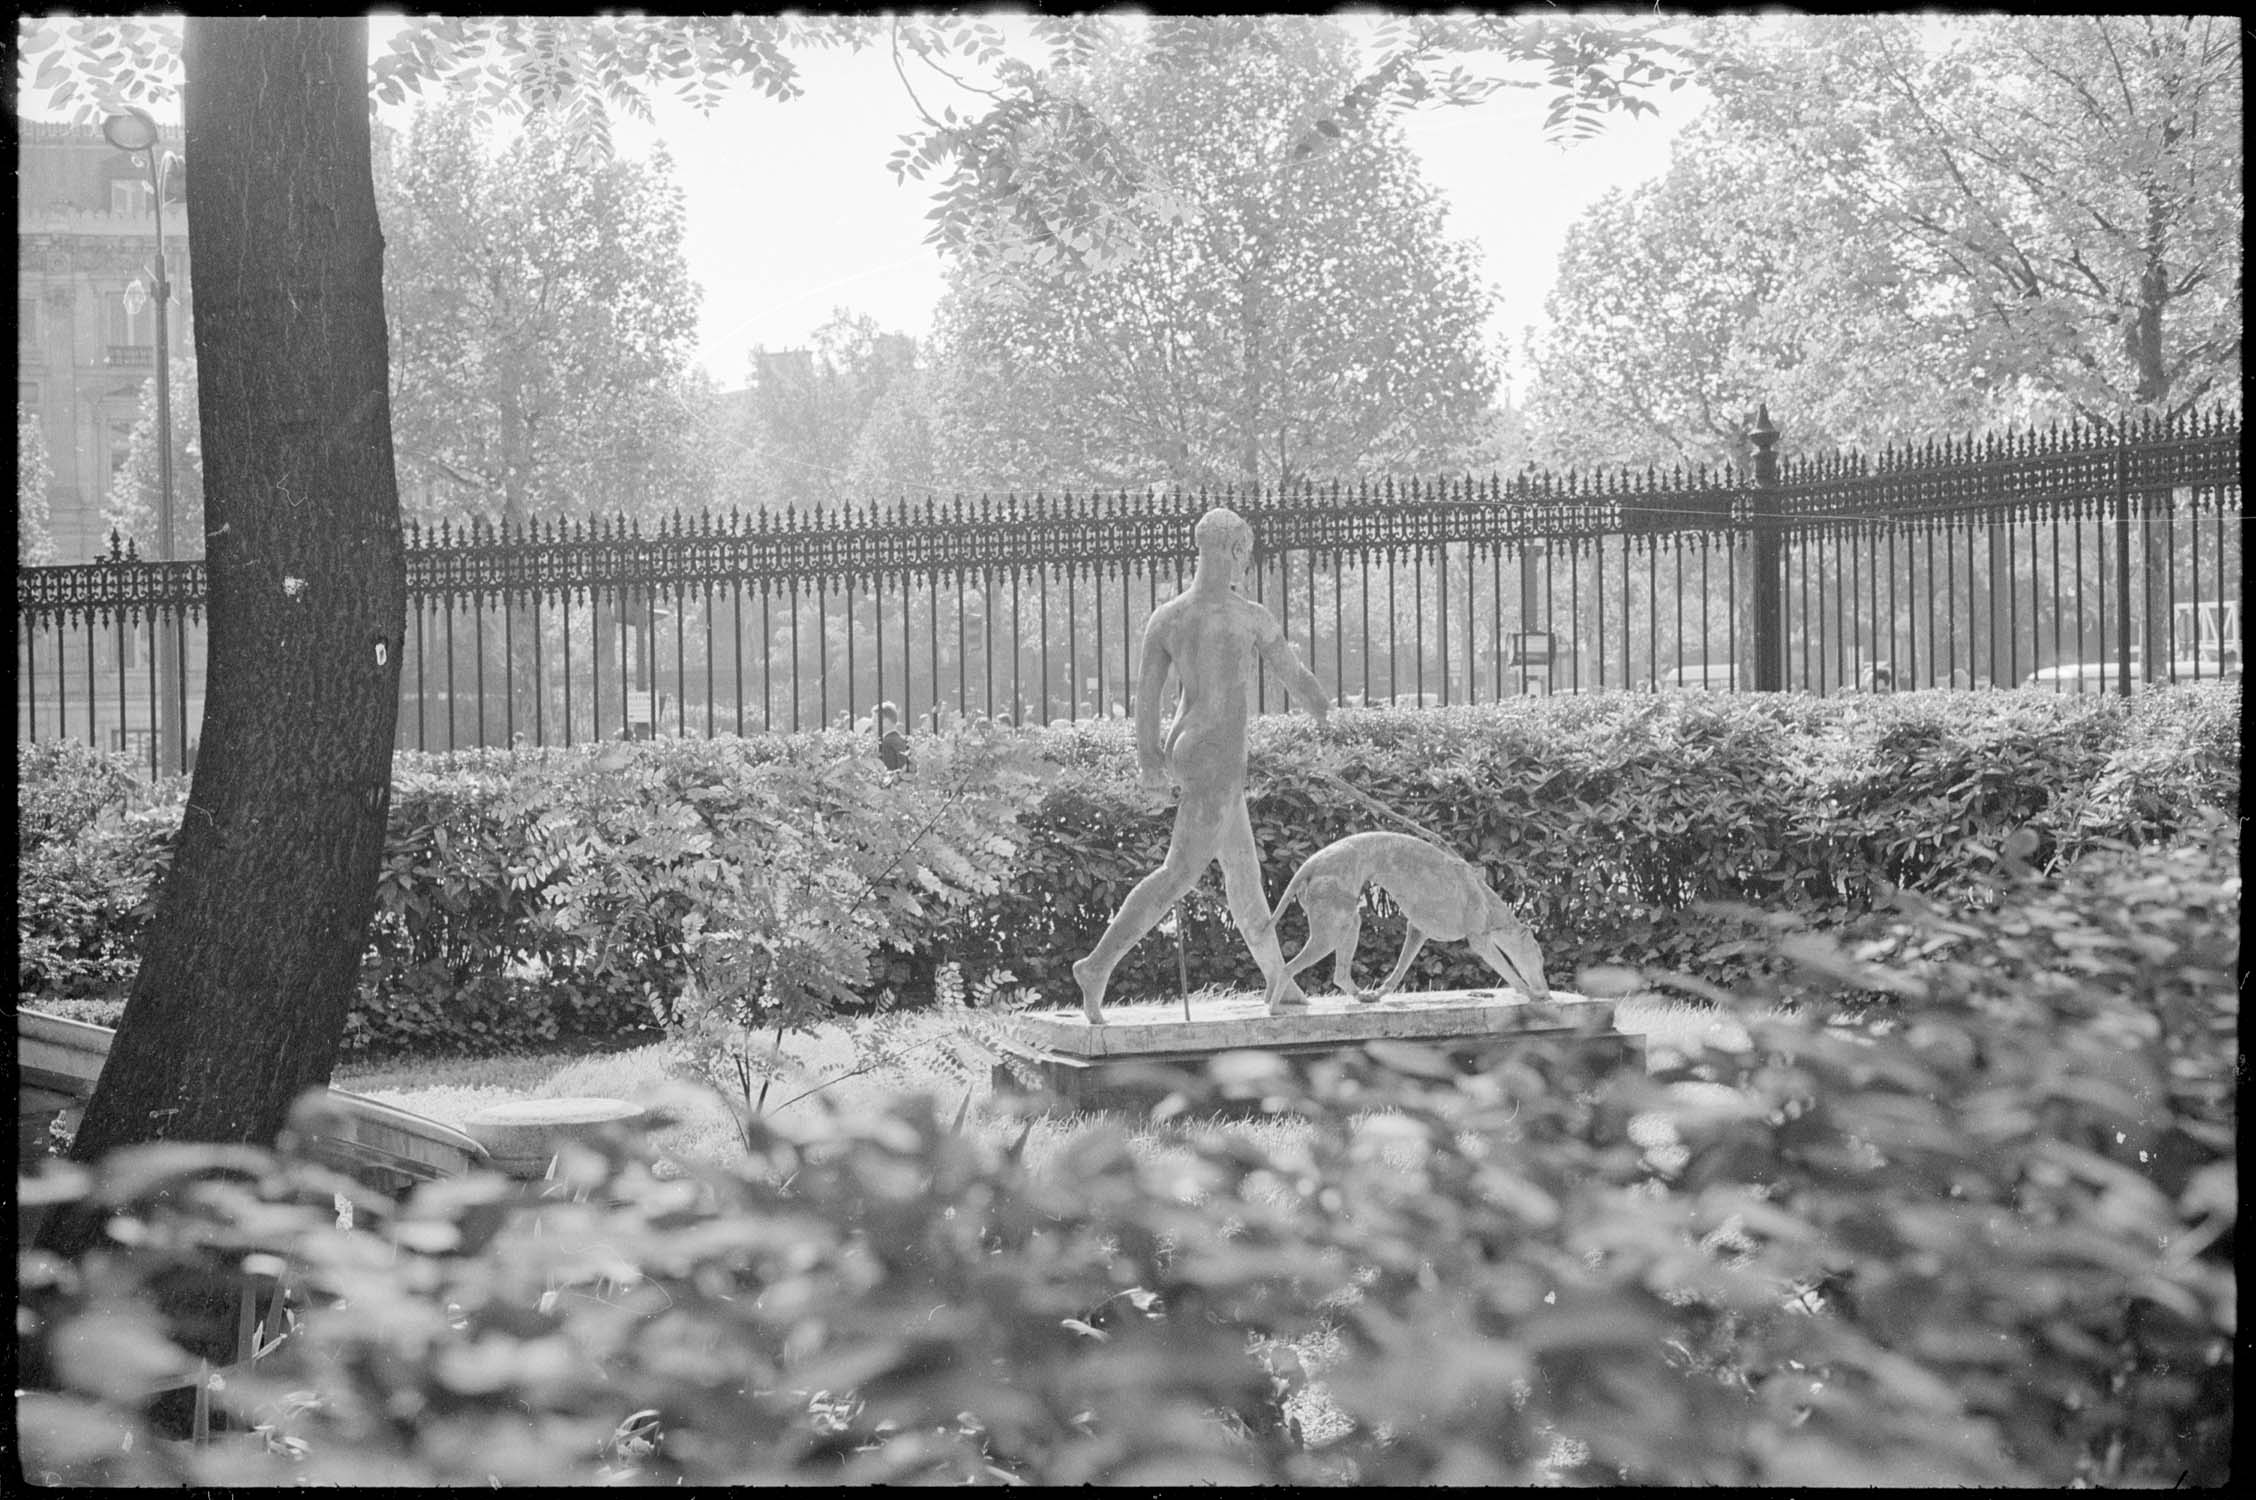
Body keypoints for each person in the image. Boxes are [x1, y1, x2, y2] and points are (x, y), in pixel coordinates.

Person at [1072, 507, 1330, 1024]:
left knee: (1243, 871)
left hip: (1191, 746)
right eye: (1247, 553)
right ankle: (1097, 965)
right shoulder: (1248, 616)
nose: (1247, 563)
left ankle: (1279, 980)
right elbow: (1295, 675)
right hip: (1216, 755)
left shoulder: (1168, 617)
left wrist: (1149, 760)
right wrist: (1325, 715)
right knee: (1179, 874)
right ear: (1235, 551)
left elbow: (1147, 700)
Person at [875, 701, 910, 770]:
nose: (873, 724)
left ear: (886, 721)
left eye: (875, 721)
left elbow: (887, 771)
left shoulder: (885, 743)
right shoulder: (905, 740)